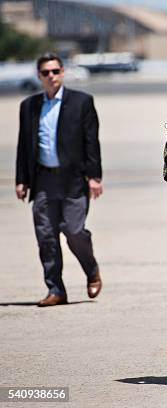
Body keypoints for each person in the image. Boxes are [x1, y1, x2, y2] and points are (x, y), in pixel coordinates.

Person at [15, 53, 103, 307]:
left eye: (55, 71)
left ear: (63, 72)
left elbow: (91, 142)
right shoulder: (29, 106)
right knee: (46, 237)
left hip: (74, 179)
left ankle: (91, 269)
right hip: (43, 180)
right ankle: (56, 290)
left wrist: (94, 177)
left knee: (74, 231)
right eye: (46, 73)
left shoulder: (81, 102)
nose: (51, 76)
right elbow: (25, 146)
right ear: (39, 76)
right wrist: (22, 180)